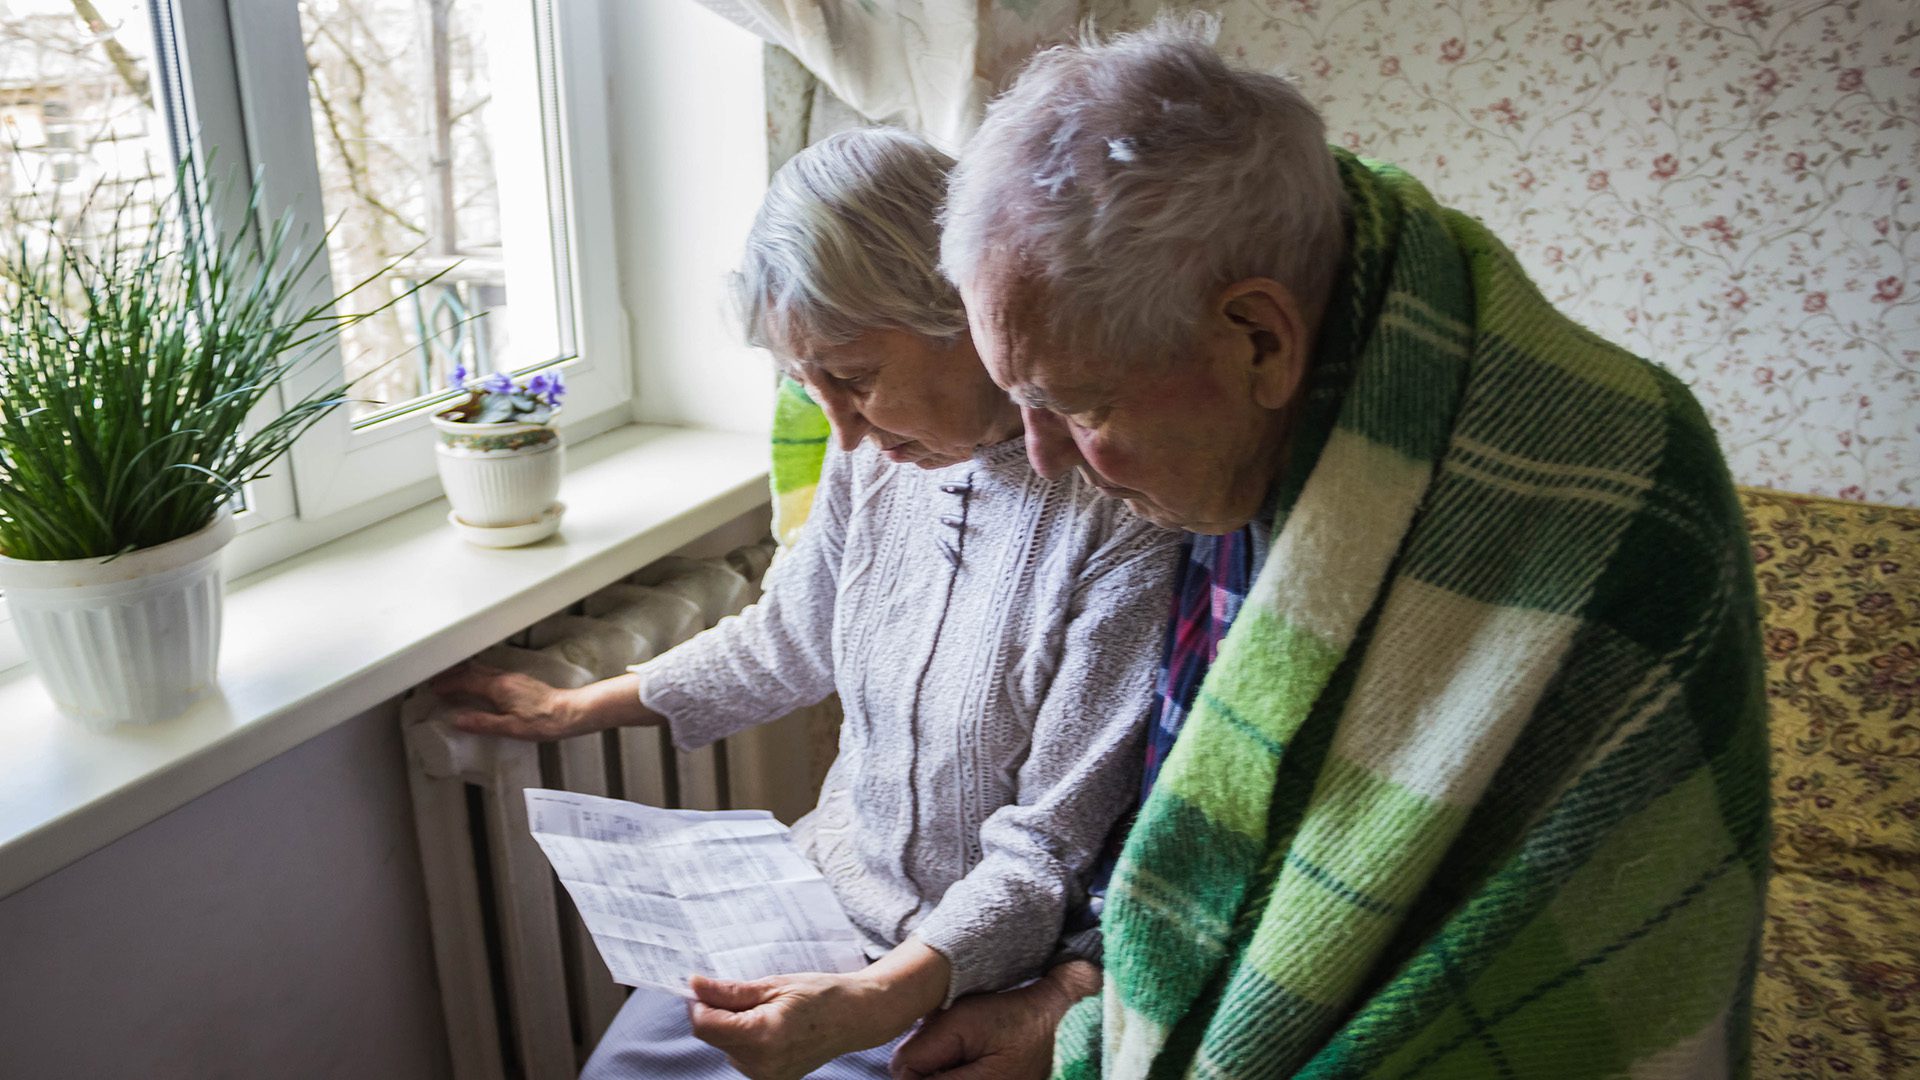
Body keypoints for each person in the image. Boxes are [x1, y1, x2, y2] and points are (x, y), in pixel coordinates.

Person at [893, 15, 1769, 1079]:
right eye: (1017, 401)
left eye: (1076, 406)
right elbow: (1197, 837)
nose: (1045, 454)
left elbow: (1573, 970)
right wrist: (1076, 1014)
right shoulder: (1242, 439)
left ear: (1260, 338)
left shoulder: (1622, 488)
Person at [431, 127, 1181, 1080]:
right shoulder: (870, 458)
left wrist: (878, 998)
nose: (841, 428)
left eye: (857, 378)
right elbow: (789, 637)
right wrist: (578, 707)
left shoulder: (1122, 510)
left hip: (975, 976)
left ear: (968, 313)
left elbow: (1048, 850)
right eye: (805, 383)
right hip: (813, 901)